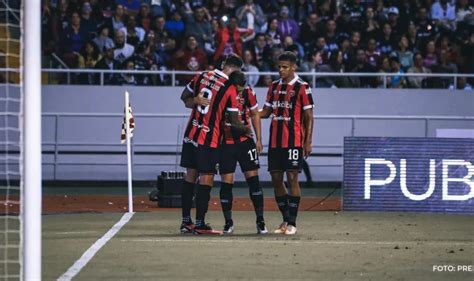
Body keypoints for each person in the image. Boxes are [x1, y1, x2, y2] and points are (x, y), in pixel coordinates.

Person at [179, 54, 251, 235]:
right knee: (207, 178)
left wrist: (195, 100)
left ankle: (186, 222)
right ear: (237, 69)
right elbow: (235, 123)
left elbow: (184, 97)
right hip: (209, 139)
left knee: (190, 177)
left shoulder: (203, 75)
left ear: (224, 64)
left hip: (191, 134)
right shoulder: (230, 88)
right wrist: (246, 129)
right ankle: (200, 223)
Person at [260, 51, 314, 235]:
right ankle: (285, 219)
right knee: (276, 179)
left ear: (293, 67)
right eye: (279, 67)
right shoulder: (273, 87)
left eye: (285, 67)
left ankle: (292, 222)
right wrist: (248, 113)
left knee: (292, 178)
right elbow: (266, 112)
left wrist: (308, 142)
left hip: (294, 142)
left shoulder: (302, 87)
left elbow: (309, 117)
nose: (281, 70)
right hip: (275, 142)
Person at [218, 71, 267, 235]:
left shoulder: (249, 92)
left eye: (241, 89)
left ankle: (260, 221)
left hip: (246, 142)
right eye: (238, 89)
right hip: (227, 143)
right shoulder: (223, 93)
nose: (240, 92)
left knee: (253, 180)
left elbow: (254, 114)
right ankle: (228, 222)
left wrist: (259, 139)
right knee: (226, 183)